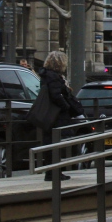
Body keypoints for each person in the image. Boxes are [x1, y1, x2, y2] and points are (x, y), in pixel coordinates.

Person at [39, 50, 85, 182]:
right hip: (57, 116)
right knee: (56, 143)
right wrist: (66, 106)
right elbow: (56, 95)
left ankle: (53, 172)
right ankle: (54, 172)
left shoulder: (46, 76)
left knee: (52, 143)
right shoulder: (53, 77)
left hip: (50, 115)